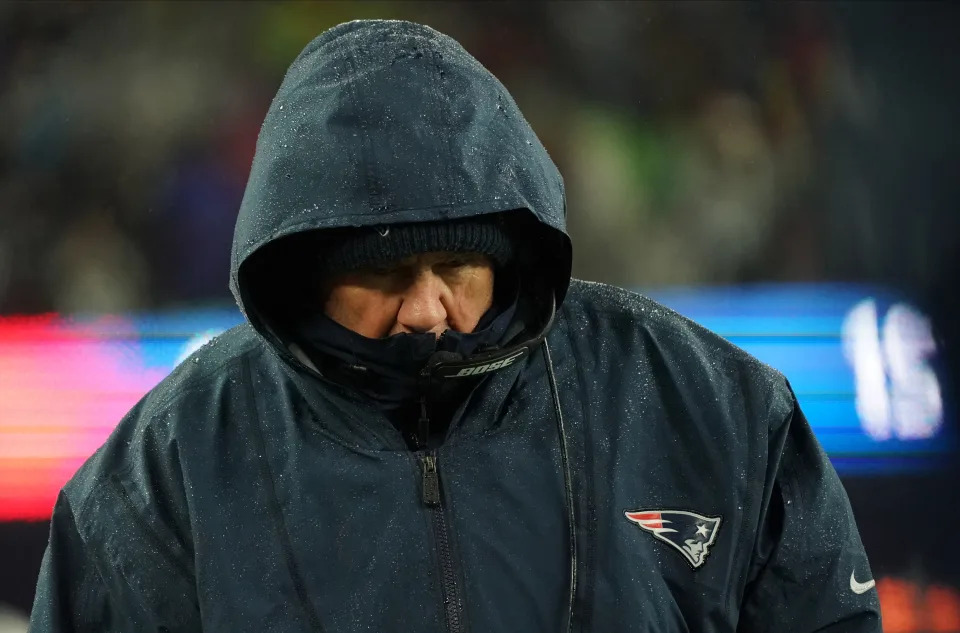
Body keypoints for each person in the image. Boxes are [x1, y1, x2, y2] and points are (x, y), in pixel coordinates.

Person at [28, 19, 881, 632]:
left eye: (457, 270)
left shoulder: (706, 402)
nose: (429, 308)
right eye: (386, 274)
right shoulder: (168, 465)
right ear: (303, 270)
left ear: (507, 255)